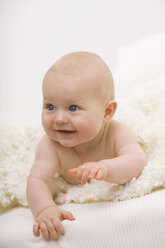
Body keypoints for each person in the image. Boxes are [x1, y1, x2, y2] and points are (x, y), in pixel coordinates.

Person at [26, 51, 147, 241]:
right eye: (50, 106)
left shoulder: (117, 133)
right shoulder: (50, 145)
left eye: (73, 108)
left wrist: (106, 168)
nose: (59, 119)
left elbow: (137, 161)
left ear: (107, 112)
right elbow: (38, 179)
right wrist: (45, 208)